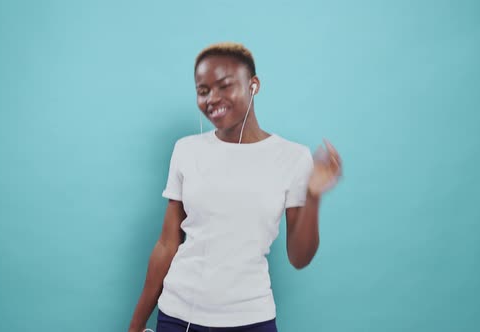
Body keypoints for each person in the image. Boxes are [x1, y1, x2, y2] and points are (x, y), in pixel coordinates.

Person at [128, 42, 342, 332]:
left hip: (251, 320)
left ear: (253, 85)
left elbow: (299, 257)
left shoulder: (292, 157)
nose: (212, 99)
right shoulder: (186, 150)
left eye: (224, 86)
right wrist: (136, 324)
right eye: (203, 91)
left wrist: (313, 198)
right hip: (178, 317)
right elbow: (167, 244)